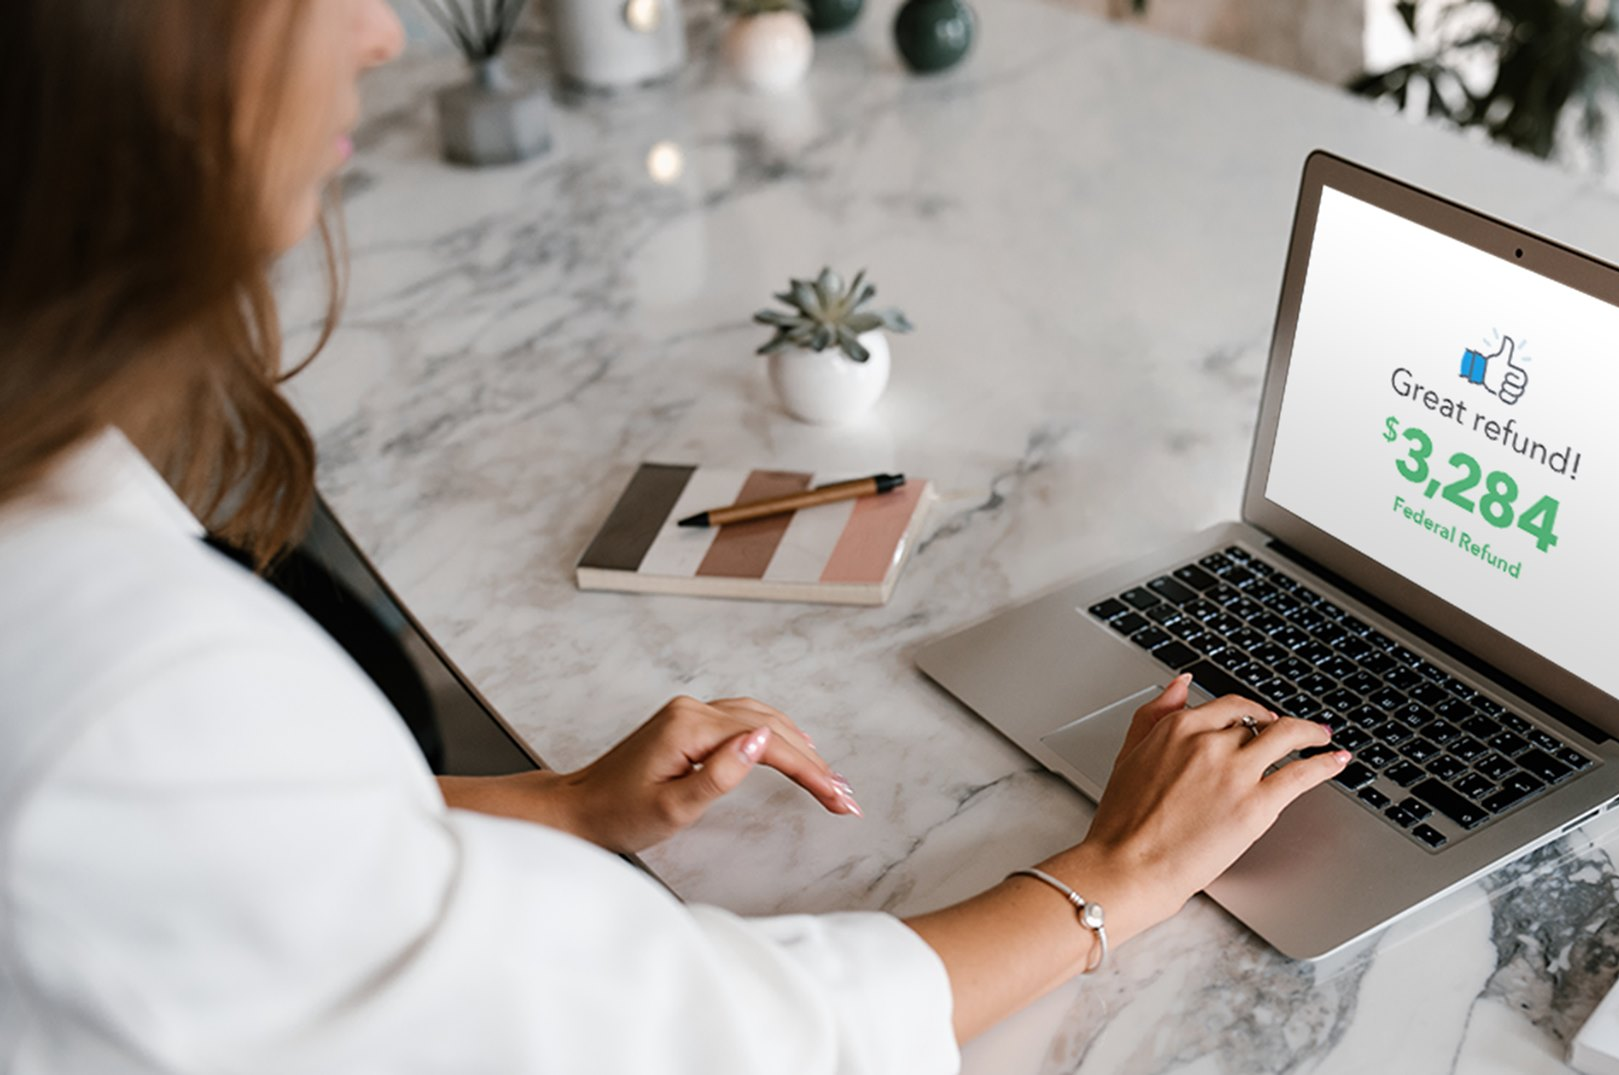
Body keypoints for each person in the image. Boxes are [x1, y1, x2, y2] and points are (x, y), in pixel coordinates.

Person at [0, 2, 1353, 1071]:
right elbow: (710, 1039)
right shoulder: (123, 693)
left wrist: (558, 805)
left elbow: (261, 865)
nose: (381, 31)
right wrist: (1114, 874)